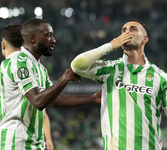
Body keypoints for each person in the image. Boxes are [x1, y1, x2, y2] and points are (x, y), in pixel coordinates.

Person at [71, 19, 167, 150]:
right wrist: (110, 45)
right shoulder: (110, 69)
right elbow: (77, 66)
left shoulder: (162, 78)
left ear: (145, 39)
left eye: (133, 29)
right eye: (124, 31)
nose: (127, 33)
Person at [0, 19, 101, 150]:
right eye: (48, 35)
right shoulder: (18, 62)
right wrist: (65, 78)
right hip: (15, 142)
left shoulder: (40, 68)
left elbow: (55, 99)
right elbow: (38, 101)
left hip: (35, 143)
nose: (53, 40)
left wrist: (93, 97)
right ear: (33, 38)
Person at [0, 24, 54, 150]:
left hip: (13, 141)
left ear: (3, 45)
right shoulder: (39, 69)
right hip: (33, 142)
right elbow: (44, 109)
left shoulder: (8, 66)